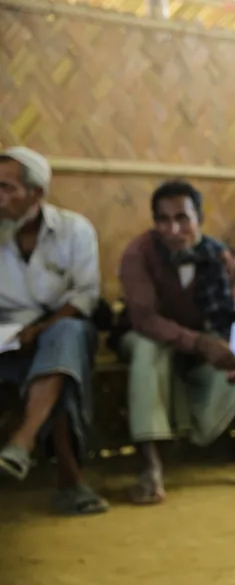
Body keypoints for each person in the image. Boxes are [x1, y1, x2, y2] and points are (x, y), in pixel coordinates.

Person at [118, 179, 235, 505]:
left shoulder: (217, 256)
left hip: (203, 337)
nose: (173, 228)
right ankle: (149, 469)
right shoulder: (138, 254)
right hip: (148, 337)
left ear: (199, 218)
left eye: (182, 218)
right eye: (163, 219)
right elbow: (145, 320)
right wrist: (199, 343)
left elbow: (227, 317)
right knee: (146, 350)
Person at [0, 146, 108, 515]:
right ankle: (70, 483)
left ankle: (24, 440)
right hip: (8, 339)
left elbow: (86, 295)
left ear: (37, 194)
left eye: (6, 188)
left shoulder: (74, 230)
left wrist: (42, 328)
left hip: (62, 328)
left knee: (63, 342)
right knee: (55, 374)